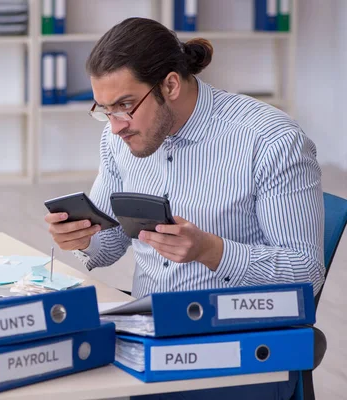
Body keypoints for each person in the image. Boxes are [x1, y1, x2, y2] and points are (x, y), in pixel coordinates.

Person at [44, 17, 324, 400]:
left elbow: (307, 275)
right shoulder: (117, 141)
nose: (115, 126)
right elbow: (109, 246)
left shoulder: (271, 141)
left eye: (125, 105)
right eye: (104, 109)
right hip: (146, 340)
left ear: (170, 85)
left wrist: (212, 251)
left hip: (238, 349)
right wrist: (81, 238)